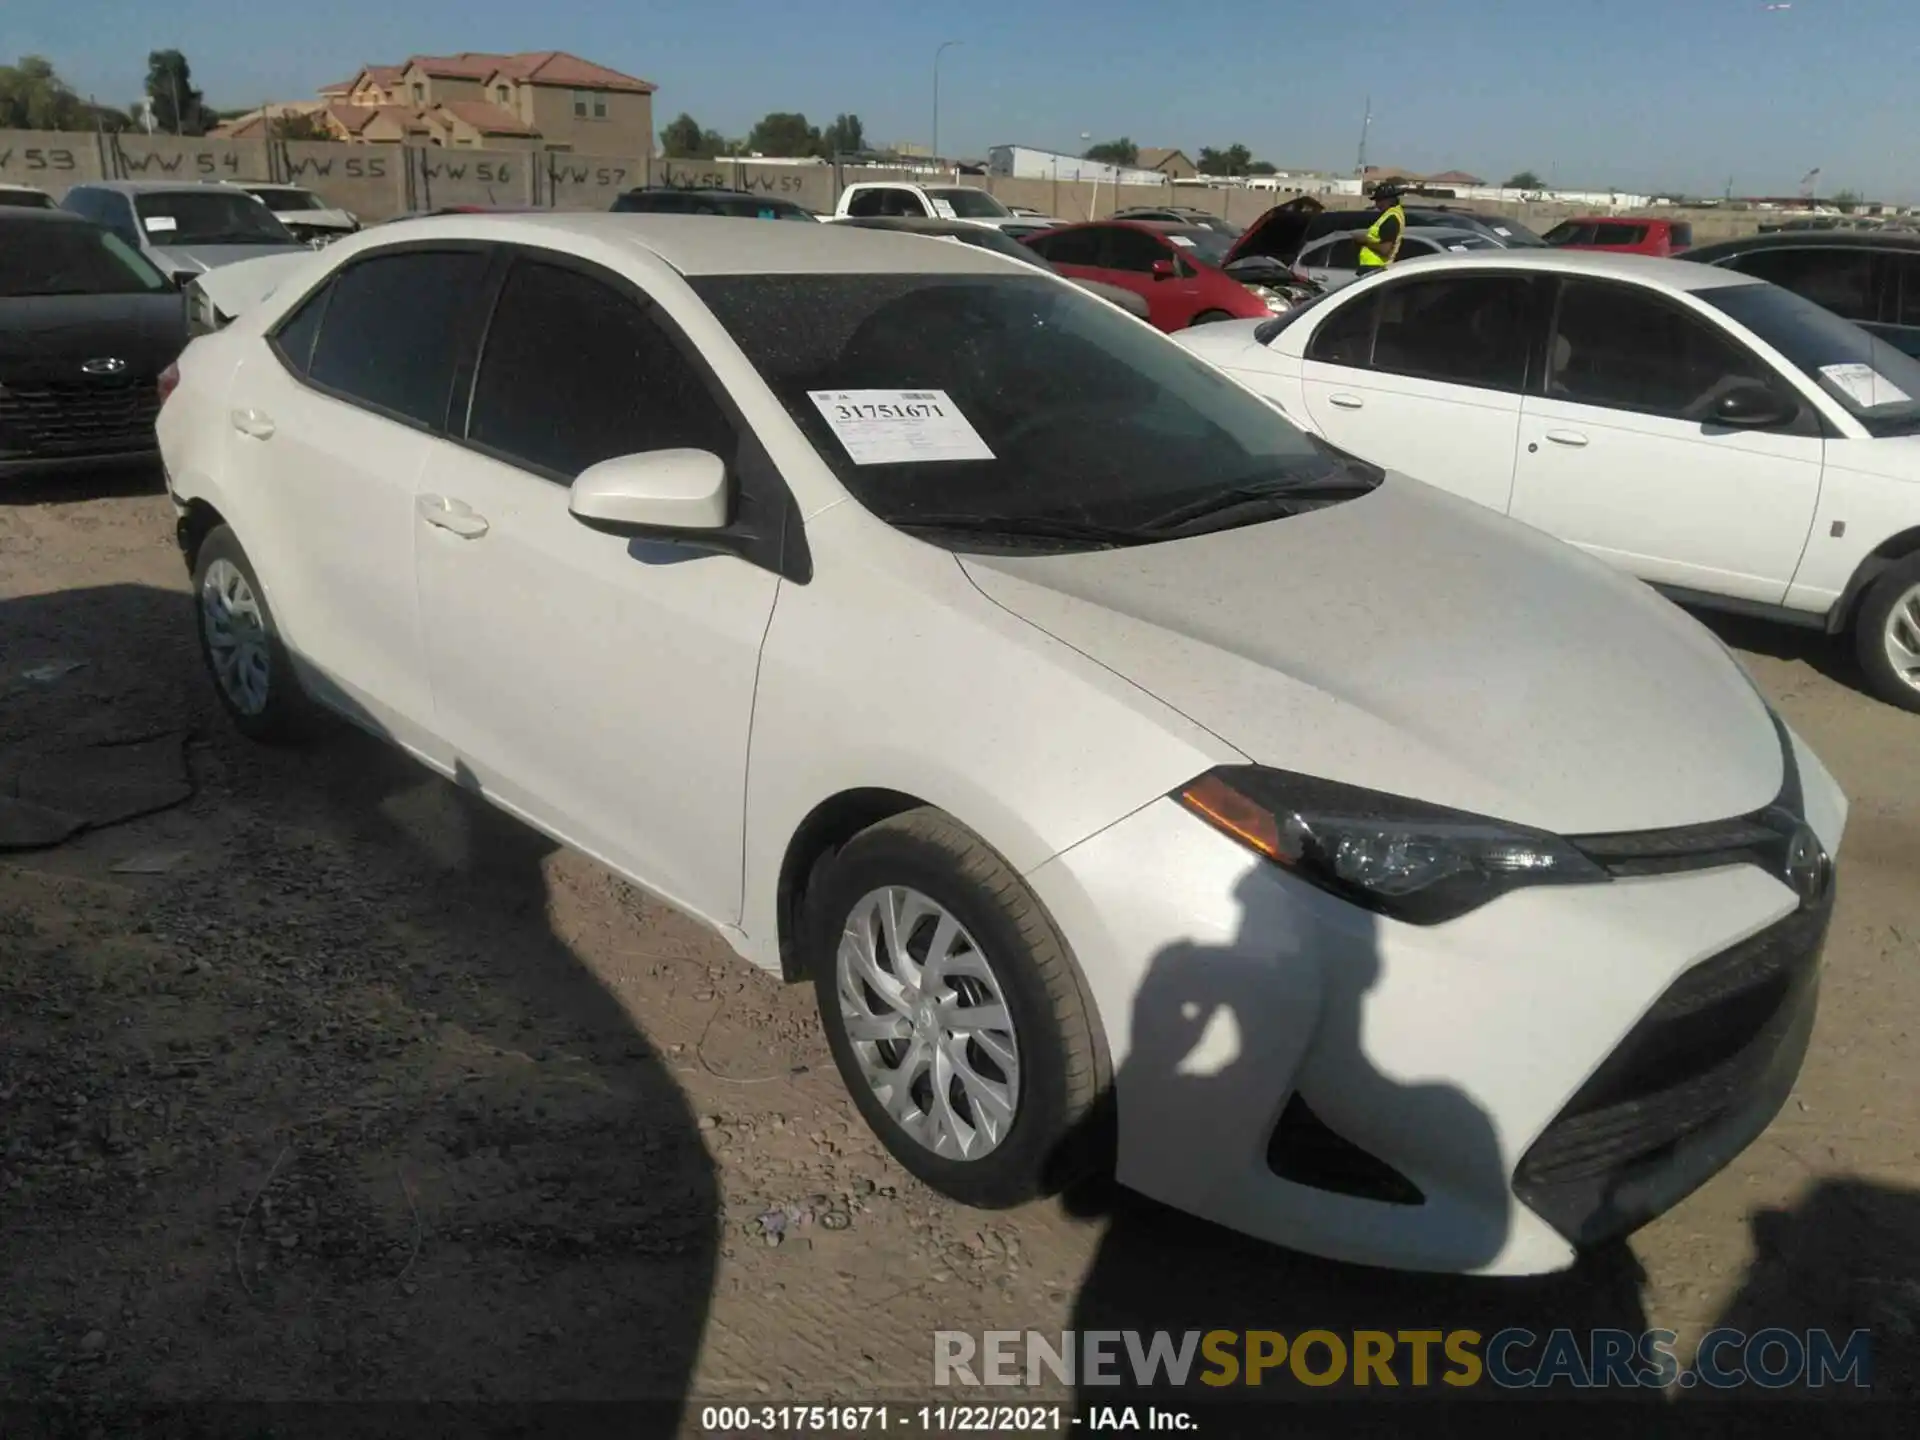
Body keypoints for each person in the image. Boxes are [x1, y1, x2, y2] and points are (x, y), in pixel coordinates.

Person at [1350, 180, 1407, 274]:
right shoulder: (1391, 215)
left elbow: (1385, 249)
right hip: (1373, 267)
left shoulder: (1392, 218)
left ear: (1388, 200)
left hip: (1375, 267)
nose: (1377, 205)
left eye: (1378, 201)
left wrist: (1363, 241)